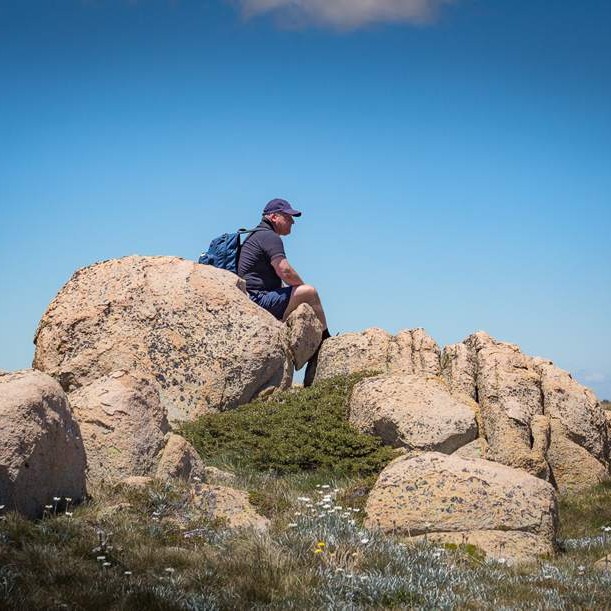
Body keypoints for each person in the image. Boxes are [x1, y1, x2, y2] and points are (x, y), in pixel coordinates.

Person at [237, 198, 330, 385]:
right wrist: (301, 291)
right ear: (273, 217)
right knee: (309, 292)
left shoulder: (256, 235)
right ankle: (326, 341)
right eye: (288, 217)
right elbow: (284, 270)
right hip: (259, 301)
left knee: (302, 293)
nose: (293, 222)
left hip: (253, 299)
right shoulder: (269, 237)